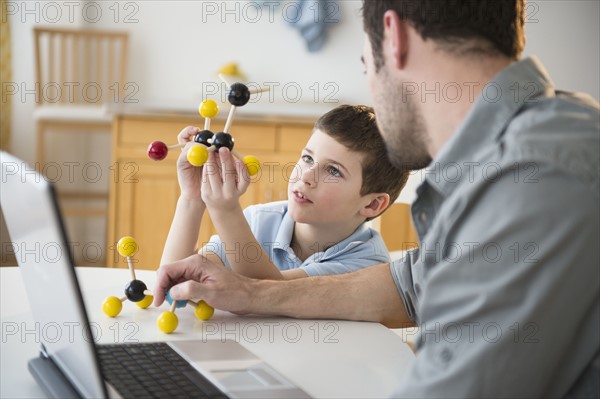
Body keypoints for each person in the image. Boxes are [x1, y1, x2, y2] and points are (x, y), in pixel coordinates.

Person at [154, 1, 600, 396]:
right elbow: (407, 286)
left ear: (395, 37)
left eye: (366, 66)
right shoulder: (535, 143)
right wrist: (253, 292)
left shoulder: (535, 173)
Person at [160, 104, 410, 280]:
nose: (306, 176)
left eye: (333, 171)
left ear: (373, 205)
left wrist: (226, 212)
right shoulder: (259, 220)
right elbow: (177, 282)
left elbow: (267, 295)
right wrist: (192, 199)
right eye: (308, 158)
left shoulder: (368, 267)